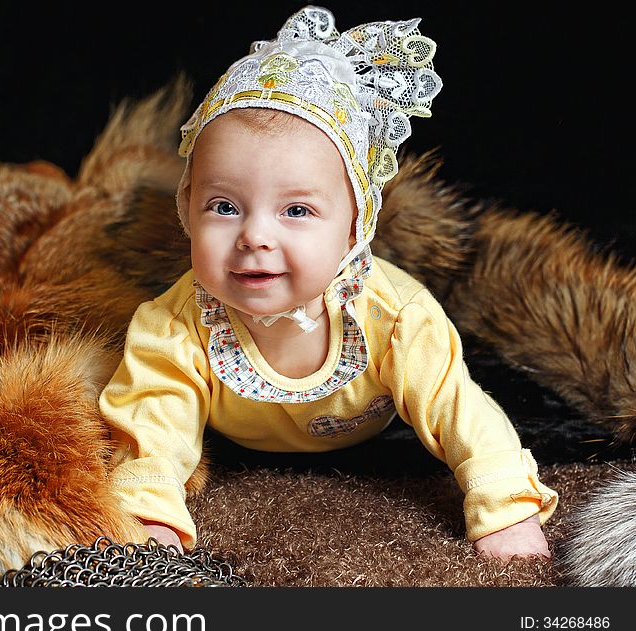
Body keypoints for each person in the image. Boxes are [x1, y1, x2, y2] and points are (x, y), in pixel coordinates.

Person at [98, 5, 557, 562]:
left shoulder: (397, 317)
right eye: (223, 206)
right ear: (186, 210)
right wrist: (151, 515)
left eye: (296, 210)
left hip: (369, 438)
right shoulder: (173, 326)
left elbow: (459, 410)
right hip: (236, 445)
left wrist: (505, 507)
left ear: (354, 229)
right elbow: (152, 422)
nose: (255, 236)